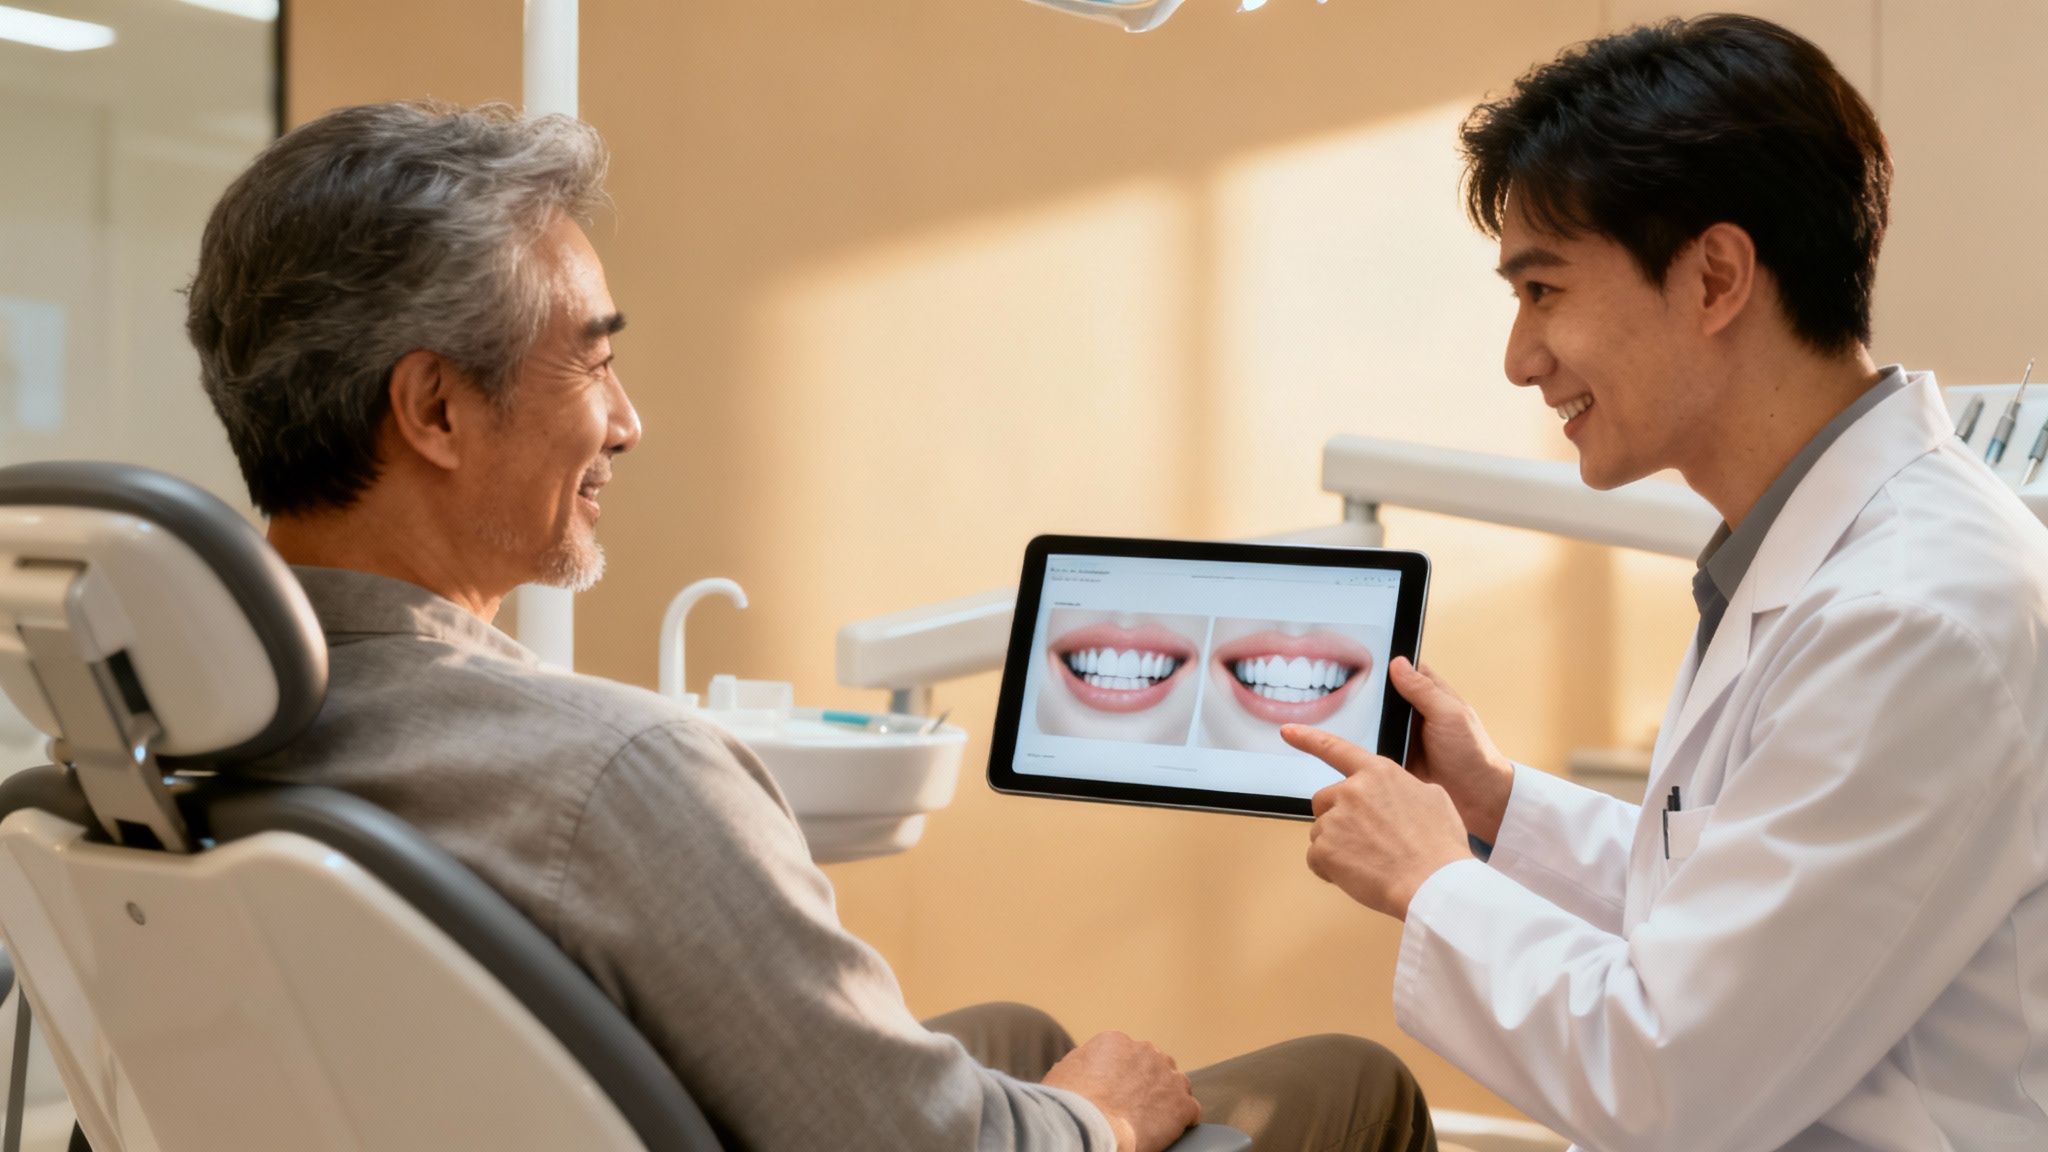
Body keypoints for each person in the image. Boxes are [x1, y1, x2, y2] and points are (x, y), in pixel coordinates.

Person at [182, 99, 1439, 1152]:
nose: (626, 421)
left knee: (1005, 1028)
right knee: (1343, 1077)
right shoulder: (617, 780)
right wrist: (1096, 1122)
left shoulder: (172, 755)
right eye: (591, 360)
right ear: (436, 410)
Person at [1280, 15, 2048, 1151]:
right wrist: (1495, 805)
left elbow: (1671, 1081)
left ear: (1714, 276)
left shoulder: (1914, 616)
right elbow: (1724, 912)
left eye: (1541, 290)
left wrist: (1429, 878)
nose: (1518, 356)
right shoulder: (1804, 554)